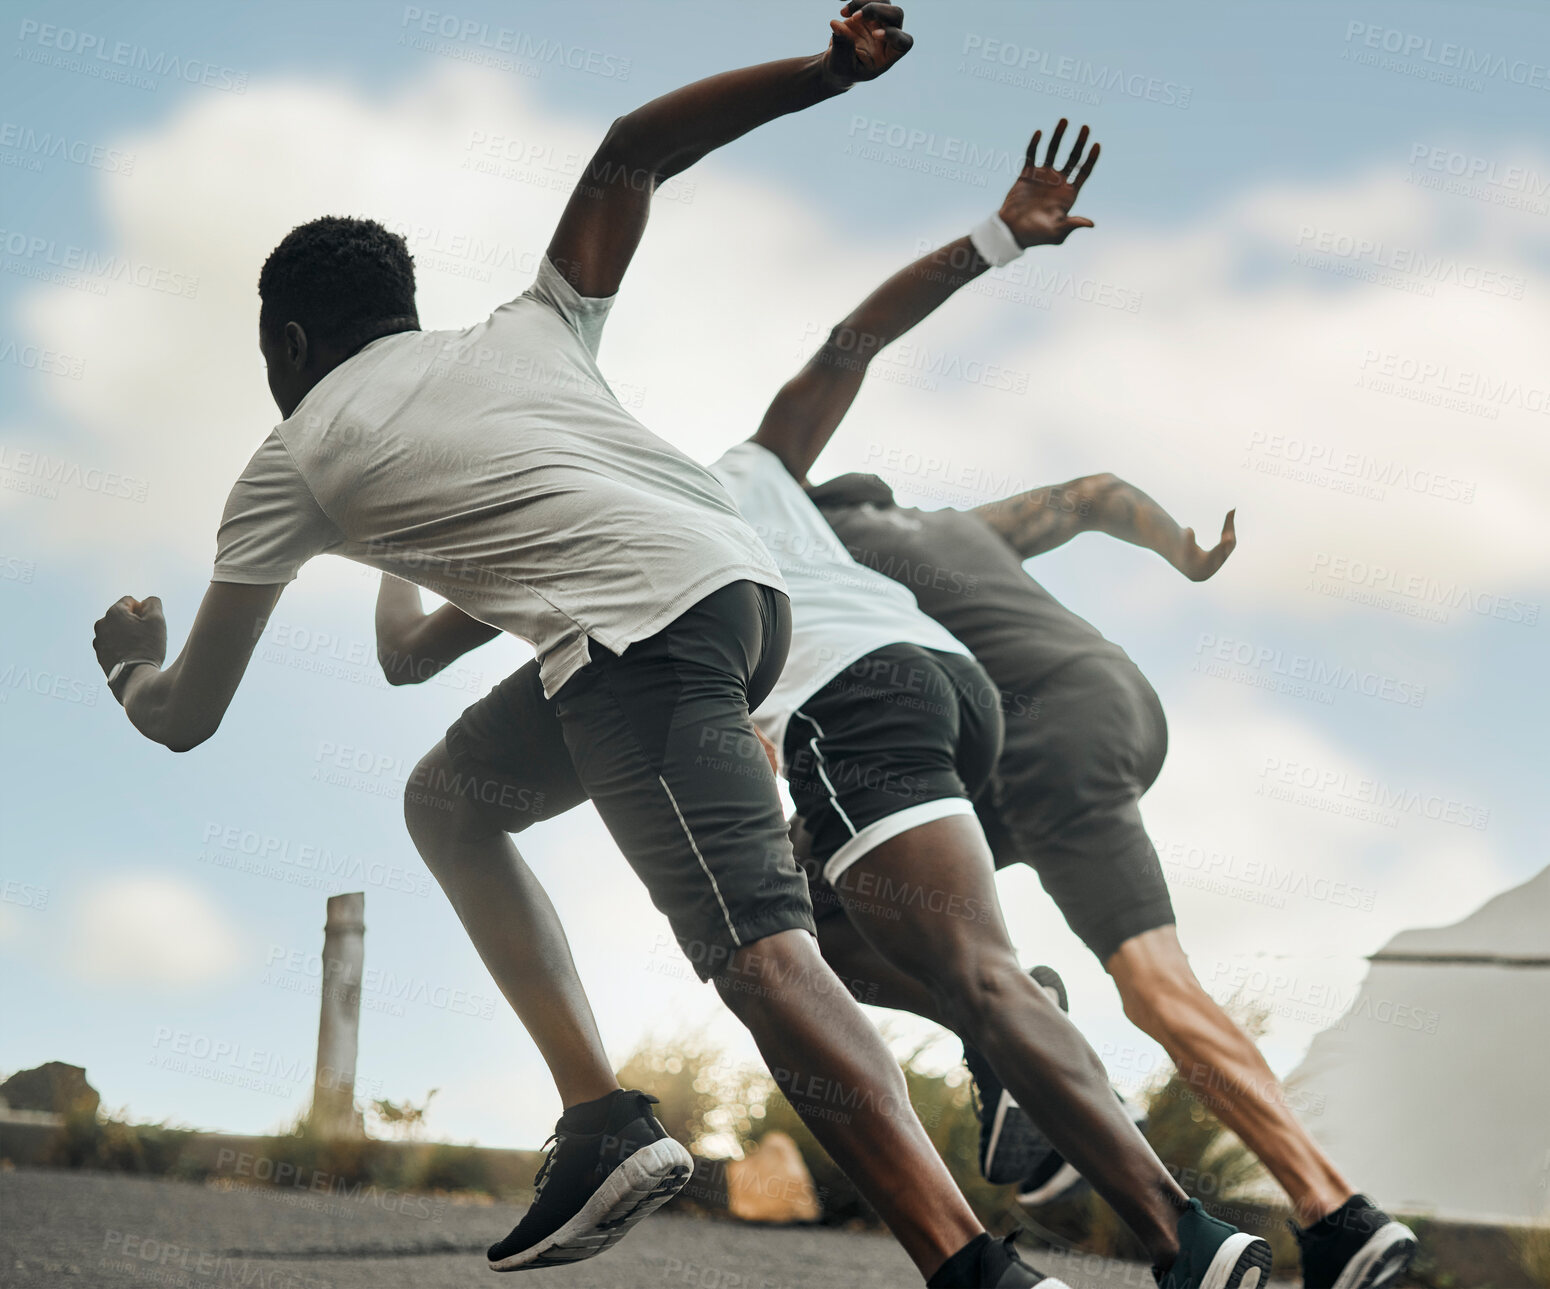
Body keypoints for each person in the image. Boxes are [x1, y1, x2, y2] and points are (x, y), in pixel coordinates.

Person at [89, 8, 1088, 1287]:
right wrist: (828, 73)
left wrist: (133, 653)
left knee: (760, 956)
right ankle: (599, 1118)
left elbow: (185, 715)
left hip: (639, 640)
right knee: (449, 802)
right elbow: (632, 152)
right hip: (731, 599)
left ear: (285, 348)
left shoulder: (288, 459)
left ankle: (976, 1268)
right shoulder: (520, 333)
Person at [377, 121, 1277, 1289]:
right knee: (823, 942)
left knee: (943, 968)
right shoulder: (757, 471)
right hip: (944, 684)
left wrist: (395, 532)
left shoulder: (630, 519)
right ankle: (1022, 1053)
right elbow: (852, 342)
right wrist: (997, 236)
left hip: (845, 699)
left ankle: (1182, 1236)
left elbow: (411, 652)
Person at [746, 126, 1417, 1289]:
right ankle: (1014, 1051)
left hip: (1036, 731)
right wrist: (1185, 557)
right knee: (884, 900)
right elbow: (1094, 494)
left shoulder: (821, 551)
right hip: (1104, 704)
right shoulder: (949, 524)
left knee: (1131, 976)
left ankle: (1333, 1210)